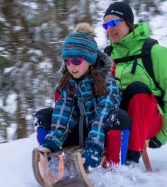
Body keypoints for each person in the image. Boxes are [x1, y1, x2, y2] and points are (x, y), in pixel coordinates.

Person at [34, 23, 132, 169]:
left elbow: (103, 115)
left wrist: (94, 145)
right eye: (67, 61)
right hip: (77, 134)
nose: (71, 66)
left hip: (101, 137)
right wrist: (53, 140)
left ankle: (114, 170)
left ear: (90, 59)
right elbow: (64, 114)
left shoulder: (106, 83)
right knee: (43, 115)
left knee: (119, 117)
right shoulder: (69, 83)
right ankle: (50, 161)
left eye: (76, 61)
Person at [102, 1, 167, 164]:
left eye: (113, 23)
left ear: (128, 22)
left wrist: (163, 135)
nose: (109, 29)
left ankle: (131, 157)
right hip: (119, 118)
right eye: (105, 25)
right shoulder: (107, 56)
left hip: (150, 120)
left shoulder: (154, 52)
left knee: (136, 89)